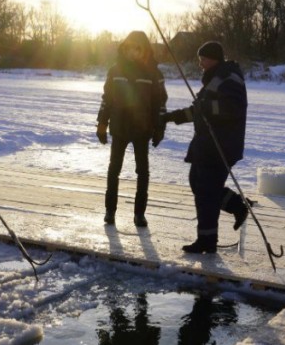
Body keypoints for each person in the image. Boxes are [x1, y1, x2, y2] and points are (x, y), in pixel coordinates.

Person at [162, 41, 249, 254]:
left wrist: (208, 107)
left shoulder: (228, 78)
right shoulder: (215, 78)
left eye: (203, 58)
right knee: (199, 185)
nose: (200, 63)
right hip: (207, 144)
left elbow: (234, 108)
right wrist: (172, 117)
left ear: (214, 58)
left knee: (206, 192)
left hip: (221, 145)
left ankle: (207, 241)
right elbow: (198, 111)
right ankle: (236, 205)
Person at [96, 31, 168, 227]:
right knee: (114, 169)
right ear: (124, 48)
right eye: (129, 47)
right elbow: (107, 99)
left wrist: (159, 127)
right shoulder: (115, 71)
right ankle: (110, 211)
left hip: (142, 129)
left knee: (142, 172)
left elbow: (160, 103)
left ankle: (139, 214)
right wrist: (102, 123)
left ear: (144, 50)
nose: (133, 52)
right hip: (119, 127)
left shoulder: (154, 73)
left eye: (137, 48)